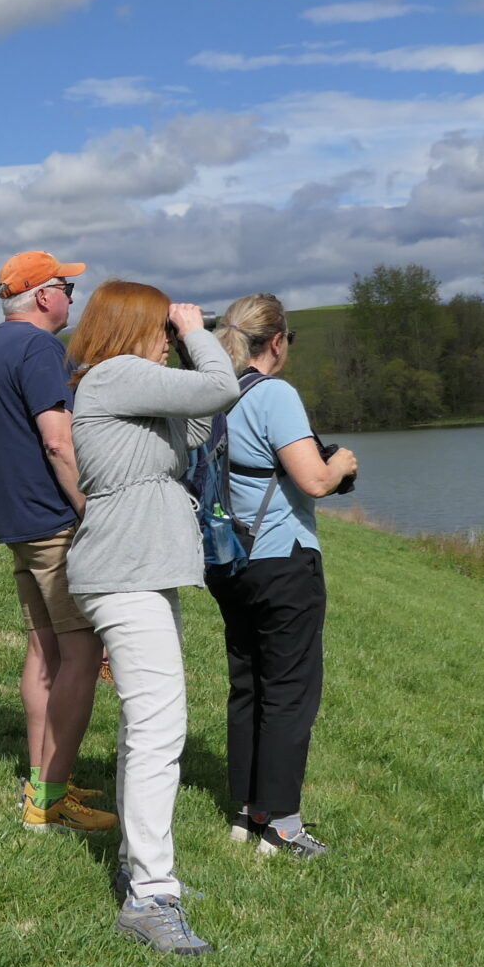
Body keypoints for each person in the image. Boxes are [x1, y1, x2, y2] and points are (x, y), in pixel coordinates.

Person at [66, 282, 242, 955]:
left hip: (142, 569)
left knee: (152, 722)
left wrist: (195, 349)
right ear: (139, 324)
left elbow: (199, 422)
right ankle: (150, 894)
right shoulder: (113, 377)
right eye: (163, 327)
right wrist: (196, 332)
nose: (170, 337)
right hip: (126, 571)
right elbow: (220, 391)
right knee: (159, 726)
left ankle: (143, 870)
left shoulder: (132, 386)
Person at [0, 250, 114, 834]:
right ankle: (48, 800)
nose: (74, 299)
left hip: (17, 524)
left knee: (42, 651)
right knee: (80, 653)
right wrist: (92, 511)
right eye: (68, 289)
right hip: (56, 522)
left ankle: (43, 776)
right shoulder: (40, 349)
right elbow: (58, 442)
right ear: (44, 295)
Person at [208, 294, 358, 859]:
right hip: (282, 558)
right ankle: (284, 827)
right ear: (276, 341)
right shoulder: (276, 395)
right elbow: (315, 480)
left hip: (228, 561)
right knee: (290, 693)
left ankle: (248, 812)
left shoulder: (215, 394)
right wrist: (341, 463)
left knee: (247, 686)